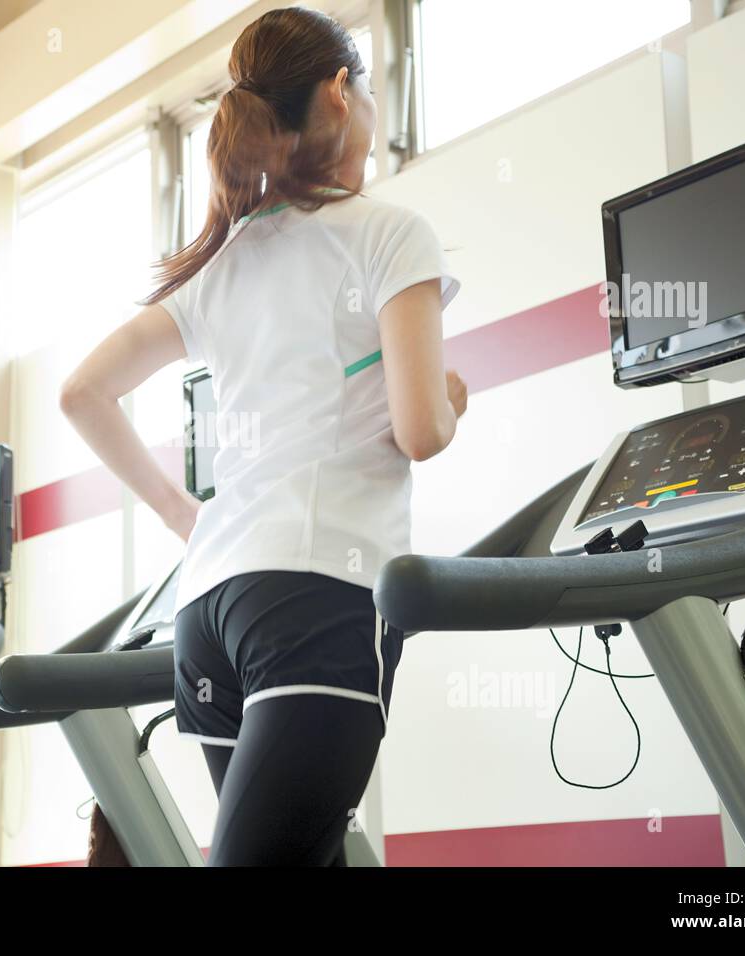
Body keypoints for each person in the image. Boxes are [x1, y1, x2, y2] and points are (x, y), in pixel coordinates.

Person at [59, 6, 466, 866]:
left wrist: (183, 517)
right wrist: (453, 394)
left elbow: (82, 392)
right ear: (339, 91)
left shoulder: (225, 259)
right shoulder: (391, 233)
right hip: (315, 598)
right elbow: (422, 430)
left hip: (208, 611)